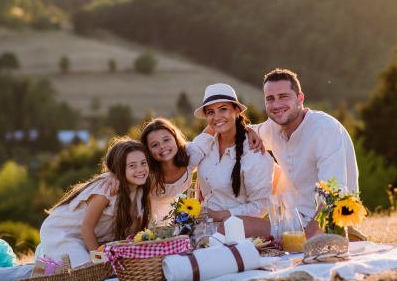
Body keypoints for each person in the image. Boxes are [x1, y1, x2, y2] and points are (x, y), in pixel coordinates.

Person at [251, 68, 359, 240]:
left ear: (300, 99)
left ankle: (351, 237)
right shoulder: (273, 128)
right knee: (232, 225)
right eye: (270, 99)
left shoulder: (324, 131)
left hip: (327, 225)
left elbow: (334, 195)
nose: (276, 105)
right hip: (292, 223)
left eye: (284, 96)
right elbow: (235, 130)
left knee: (236, 228)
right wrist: (205, 181)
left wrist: (304, 238)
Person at [99, 118, 267, 223]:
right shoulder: (145, 171)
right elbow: (127, 167)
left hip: (173, 217)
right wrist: (114, 175)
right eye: (154, 145)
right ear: (148, 151)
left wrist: (248, 129)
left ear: (175, 139)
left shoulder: (190, 155)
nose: (163, 146)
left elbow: (218, 124)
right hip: (144, 218)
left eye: (166, 140)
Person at [39, 138, 152, 265]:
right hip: (61, 233)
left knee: (118, 270)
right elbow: (86, 229)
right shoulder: (107, 189)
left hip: (88, 238)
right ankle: (46, 253)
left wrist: (128, 256)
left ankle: (51, 257)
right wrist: (100, 262)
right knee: (90, 271)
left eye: (143, 163)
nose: (140, 169)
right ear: (119, 169)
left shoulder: (139, 191)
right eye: (132, 165)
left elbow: (131, 232)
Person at [195, 83, 274, 237]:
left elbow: (260, 206)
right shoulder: (206, 144)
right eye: (211, 112)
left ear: (236, 111)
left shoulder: (253, 153)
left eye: (223, 109)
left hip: (235, 235)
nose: (216, 117)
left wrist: (219, 215)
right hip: (202, 232)